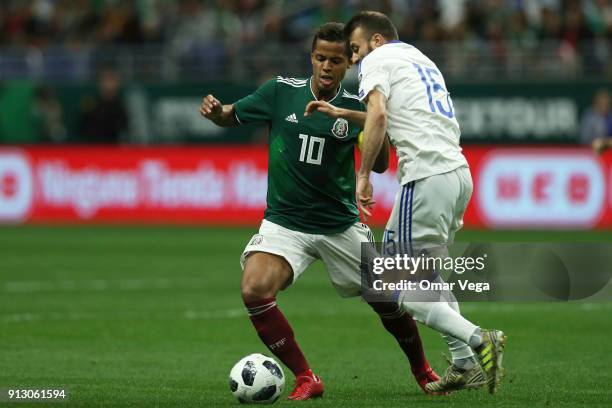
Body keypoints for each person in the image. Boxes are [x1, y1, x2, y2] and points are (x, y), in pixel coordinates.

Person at [199, 22, 440, 401]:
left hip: (339, 224)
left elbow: (379, 165)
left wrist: (359, 128)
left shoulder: (358, 105)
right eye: (321, 58)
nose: (327, 67)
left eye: (337, 60)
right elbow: (232, 114)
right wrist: (217, 113)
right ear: (311, 58)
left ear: (348, 64)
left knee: (387, 302)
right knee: (254, 289)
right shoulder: (281, 92)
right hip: (285, 222)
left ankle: (423, 371)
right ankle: (306, 377)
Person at [341, 11, 507, 394]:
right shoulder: (419, 58)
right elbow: (395, 115)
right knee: (428, 279)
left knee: (395, 284)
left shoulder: (376, 61)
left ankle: (481, 340)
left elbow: (380, 115)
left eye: (355, 48)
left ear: (376, 41)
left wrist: (363, 175)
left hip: (426, 176)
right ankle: (464, 364)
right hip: (456, 175)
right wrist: (345, 113)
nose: (353, 59)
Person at [580, 89, 612, 154]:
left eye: (606, 102)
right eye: (601, 101)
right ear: (596, 102)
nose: (604, 103)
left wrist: (605, 142)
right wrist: (597, 142)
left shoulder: (610, 115)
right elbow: (584, 138)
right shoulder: (589, 117)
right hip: (592, 152)